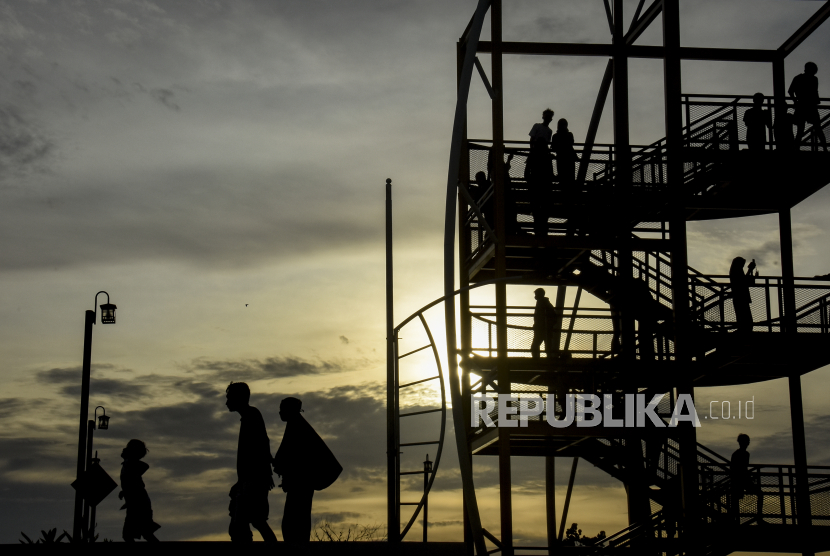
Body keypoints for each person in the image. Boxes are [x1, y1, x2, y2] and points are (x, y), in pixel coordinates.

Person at [273, 397, 342, 546]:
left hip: (301, 485)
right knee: (295, 524)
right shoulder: (297, 426)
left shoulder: (298, 427)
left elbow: (296, 458)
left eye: (282, 409)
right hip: (300, 485)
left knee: (294, 524)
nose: (279, 412)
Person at [226, 382, 277, 543]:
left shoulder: (252, 416)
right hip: (252, 479)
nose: (227, 402)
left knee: (247, 522)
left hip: (254, 480)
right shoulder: (249, 416)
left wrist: (250, 480)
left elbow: (260, 447)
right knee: (251, 521)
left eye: (229, 398)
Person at [118, 439, 160, 543]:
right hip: (138, 503)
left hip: (138, 504)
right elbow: (131, 484)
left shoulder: (131, 463)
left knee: (129, 534)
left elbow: (143, 469)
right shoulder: (128, 465)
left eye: (127, 448)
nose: (123, 449)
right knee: (145, 533)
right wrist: (125, 491)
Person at [526, 109, 555, 237]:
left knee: (539, 207)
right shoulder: (538, 126)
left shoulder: (549, 131)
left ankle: (540, 230)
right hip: (538, 155)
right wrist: (533, 151)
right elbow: (532, 140)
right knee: (540, 207)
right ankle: (541, 230)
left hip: (541, 157)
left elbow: (545, 144)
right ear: (544, 117)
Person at [788, 62, 827, 150]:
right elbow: (814, 92)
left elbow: (790, 91)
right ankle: (825, 148)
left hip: (801, 105)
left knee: (800, 130)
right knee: (818, 128)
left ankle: (796, 148)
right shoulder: (814, 79)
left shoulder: (798, 78)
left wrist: (795, 101)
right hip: (811, 106)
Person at [730, 434, 764, 522]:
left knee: (735, 499)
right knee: (759, 494)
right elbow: (741, 469)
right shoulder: (742, 454)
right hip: (741, 480)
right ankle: (759, 517)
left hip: (740, 480)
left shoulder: (738, 454)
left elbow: (740, 469)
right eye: (746, 441)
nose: (747, 443)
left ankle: (735, 519)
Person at [729, 257, 757, 333]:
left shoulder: (735, 270)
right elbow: (742, 282)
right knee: (745, 317)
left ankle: (743, 330)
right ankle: (744, 331)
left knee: (743, 317)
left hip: (740, 296)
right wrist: (750, 270)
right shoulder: (737, 271)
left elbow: (743, 280)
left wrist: (749, 270)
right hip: (741, 297)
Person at [530, 288, 560, 359]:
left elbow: (542, 317)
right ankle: (548, 361)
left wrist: (543, 325)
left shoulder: (542, 303)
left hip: (542, 329)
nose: (535, 296)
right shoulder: (544, 303)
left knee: (535, 346)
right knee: (547, 346)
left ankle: (537, 361)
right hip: (545, 329)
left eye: (536, 294)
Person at [550, 118, 579, 191]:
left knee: (565, 178)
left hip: (562, 158)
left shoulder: (556, 136)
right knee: (568, 178)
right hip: (567, 158)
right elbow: (570, 144)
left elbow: (553, 148)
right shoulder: (568, 135)